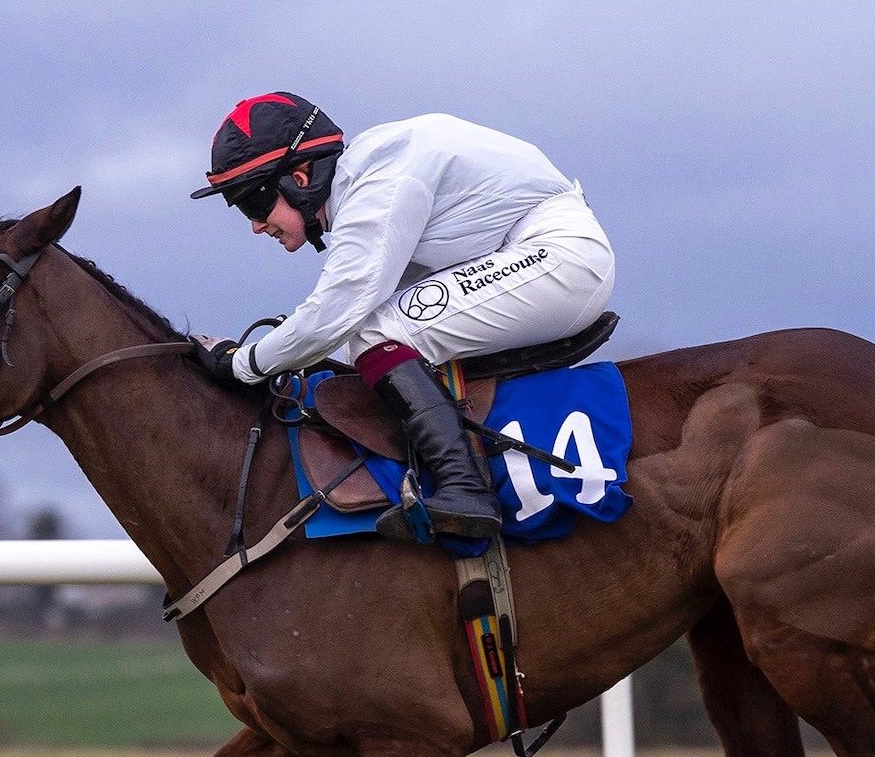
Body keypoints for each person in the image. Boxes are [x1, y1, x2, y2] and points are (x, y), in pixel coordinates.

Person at [189, 93, 615, 542]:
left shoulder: (382, 182)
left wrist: (244, 364)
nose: (256, 226)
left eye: (254, 206)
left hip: (558, 255)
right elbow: (346, 309)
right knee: (376, 336)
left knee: (376, 335)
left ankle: (466, 489)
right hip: (539, 251)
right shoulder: (371, 174)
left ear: (299, 178)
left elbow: (337, 312)